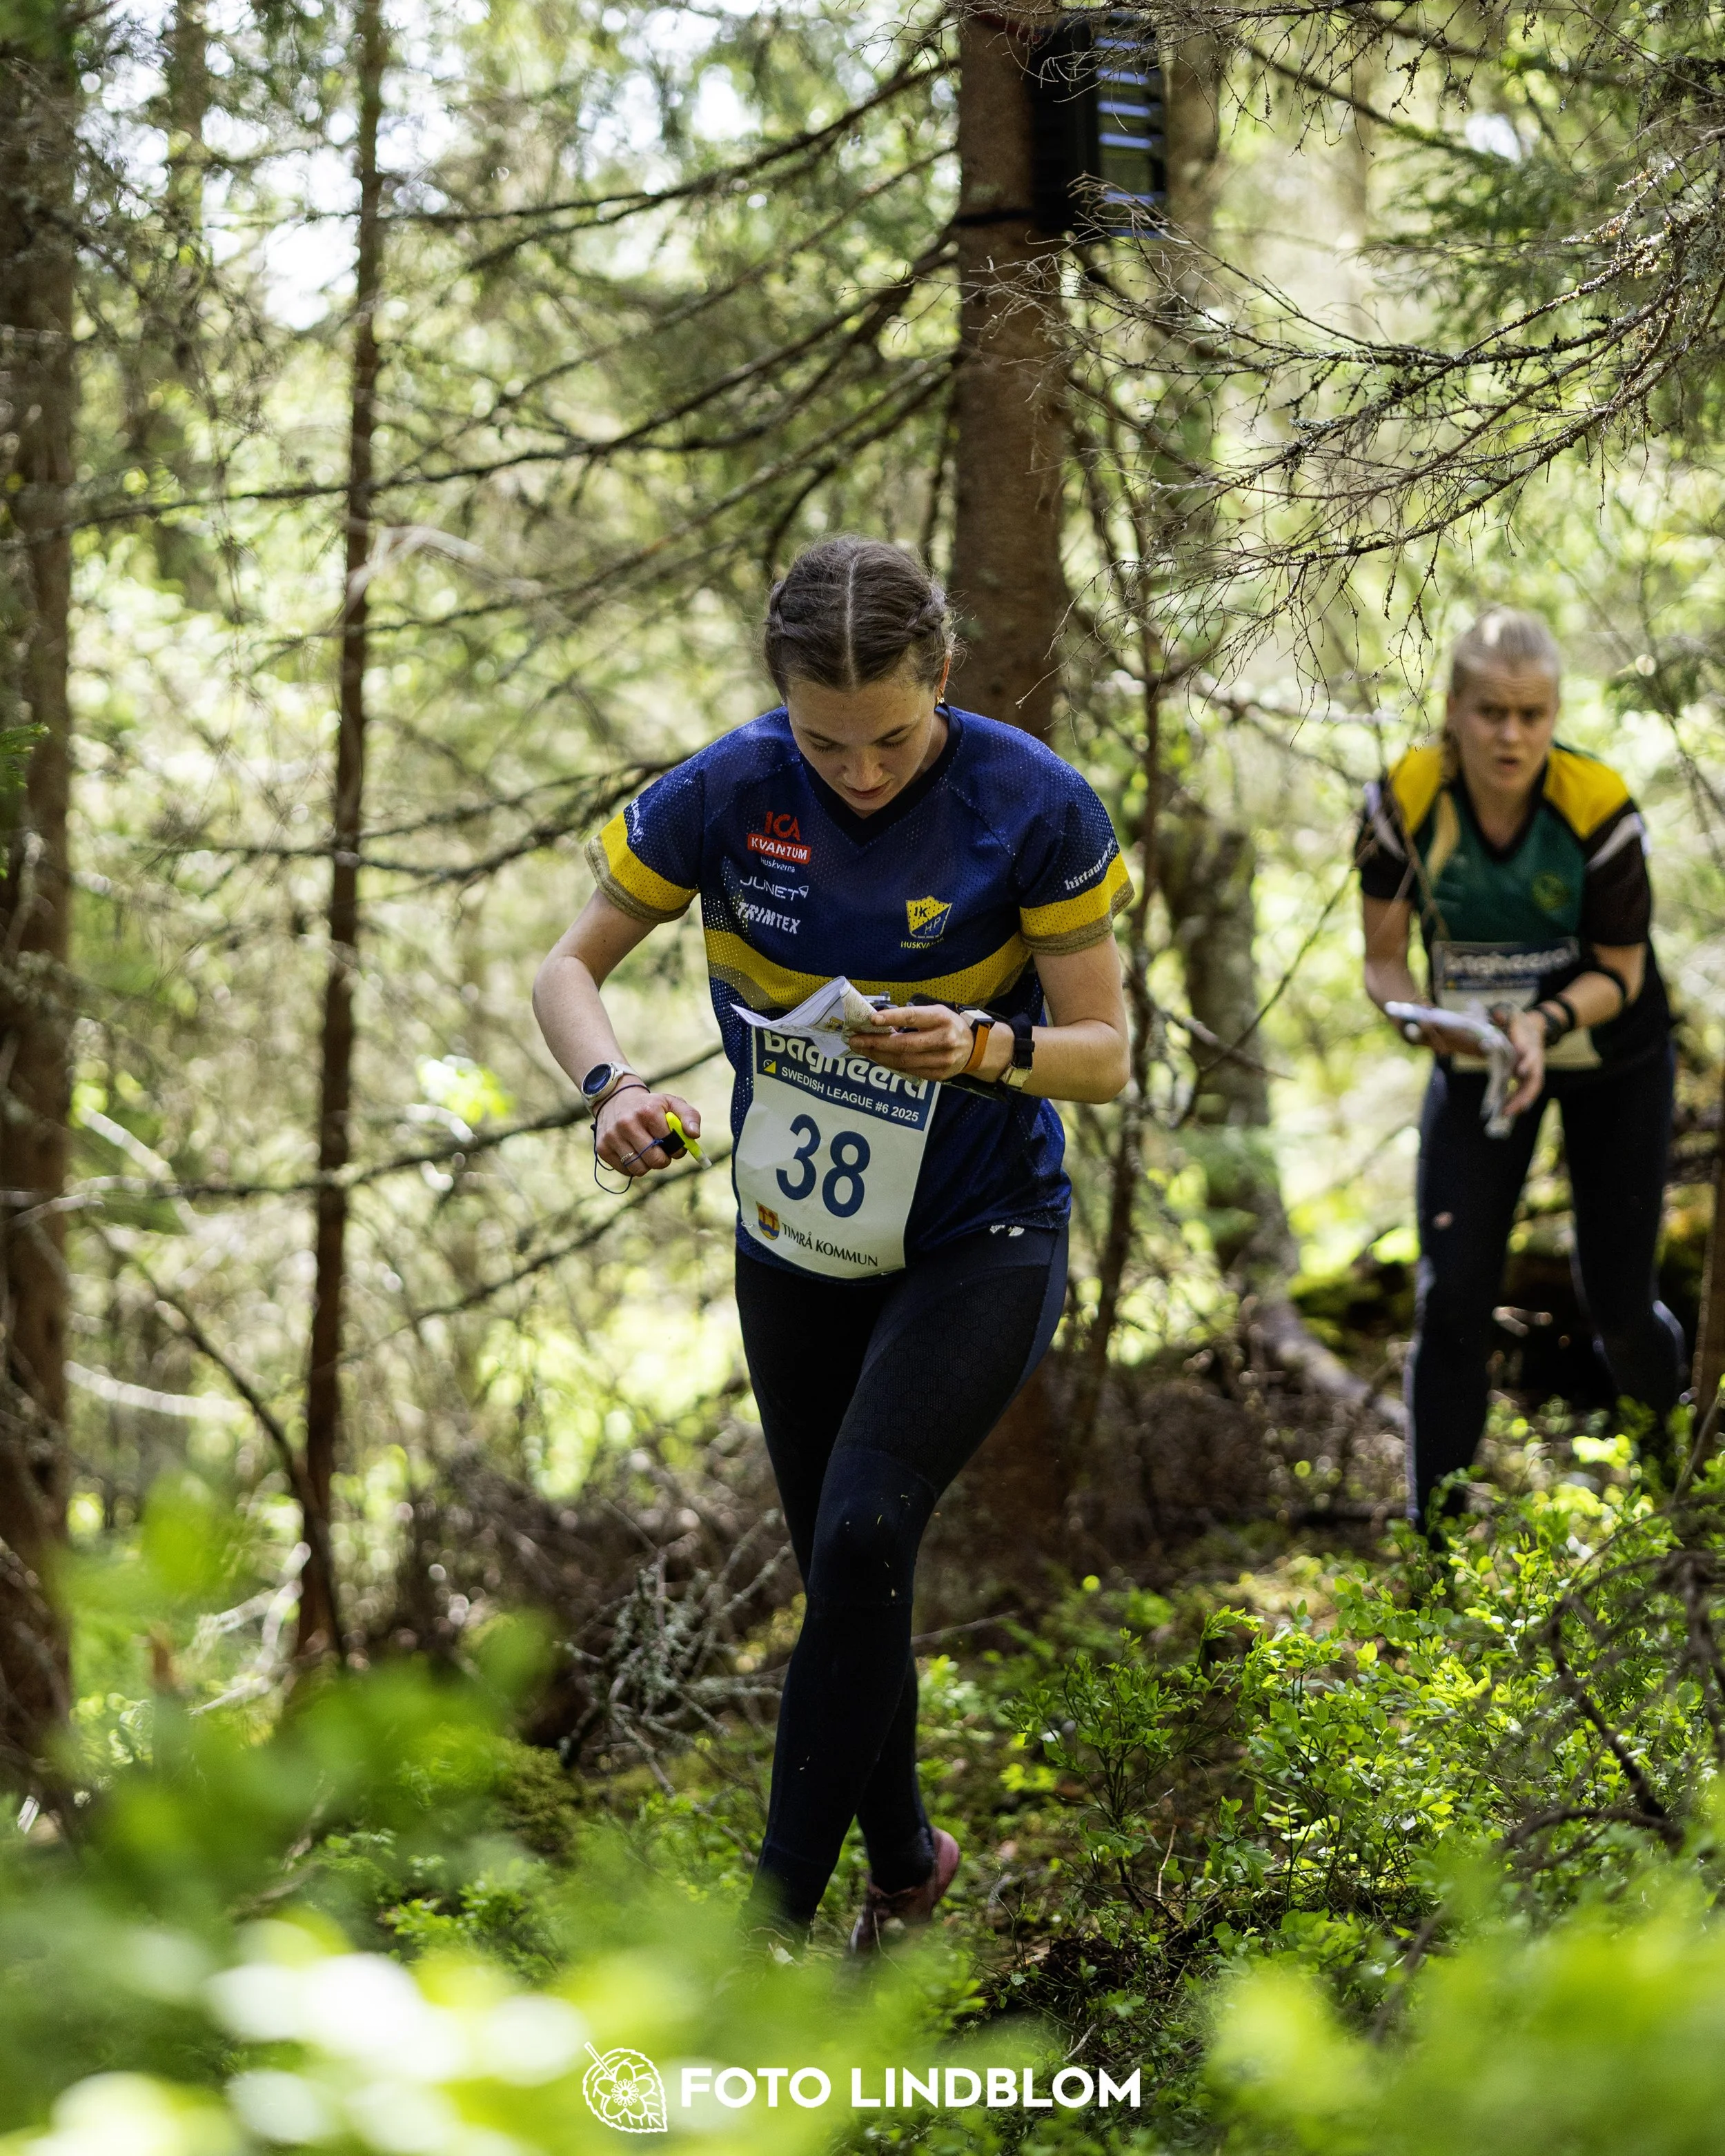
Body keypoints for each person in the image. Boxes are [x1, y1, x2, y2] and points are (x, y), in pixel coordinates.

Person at [533, 536, 1131, 1948]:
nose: (857, 770)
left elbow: (1102, 1054)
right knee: (845, 1573)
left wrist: (987, 1045)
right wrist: (610, 1089)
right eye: (824, 740)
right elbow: (569, 968)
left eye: (888, 736)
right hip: (795, 1235)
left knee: (865, 1526)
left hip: (979, 1229)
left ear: (940, 678)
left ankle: (766, 1931)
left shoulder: (1029, 805)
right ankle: (909, 1864)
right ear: (777, 703)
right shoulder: (728, 791)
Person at [1357, 606, 1683, 1523]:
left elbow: (1621, 972)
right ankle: (1437, 1557)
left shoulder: (1599, 807)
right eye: (1492, 711)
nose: (1513, 734)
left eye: (1533, 714)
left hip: (1614, 1057)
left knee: (1619, 1301)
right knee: (1452, 1298)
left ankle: (1685, 1491)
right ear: (1453, 708)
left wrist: (1540, 1020)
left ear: (1554, 714)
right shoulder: (1402, 803)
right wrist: (1420, 1025)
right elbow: (1384, 962)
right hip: (1479, 1062)